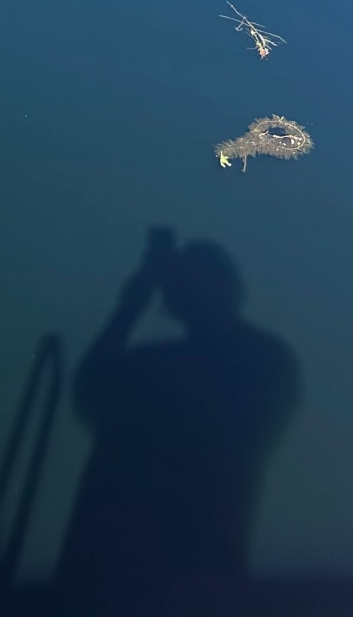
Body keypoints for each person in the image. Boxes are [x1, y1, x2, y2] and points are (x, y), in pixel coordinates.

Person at [53, 229, 298, 617]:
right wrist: (134, 301)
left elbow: (94, 390)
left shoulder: (256, 361)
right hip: (119, 573)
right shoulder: (165, 364)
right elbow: (93, 391)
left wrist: (133, 302)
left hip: (182, 574)